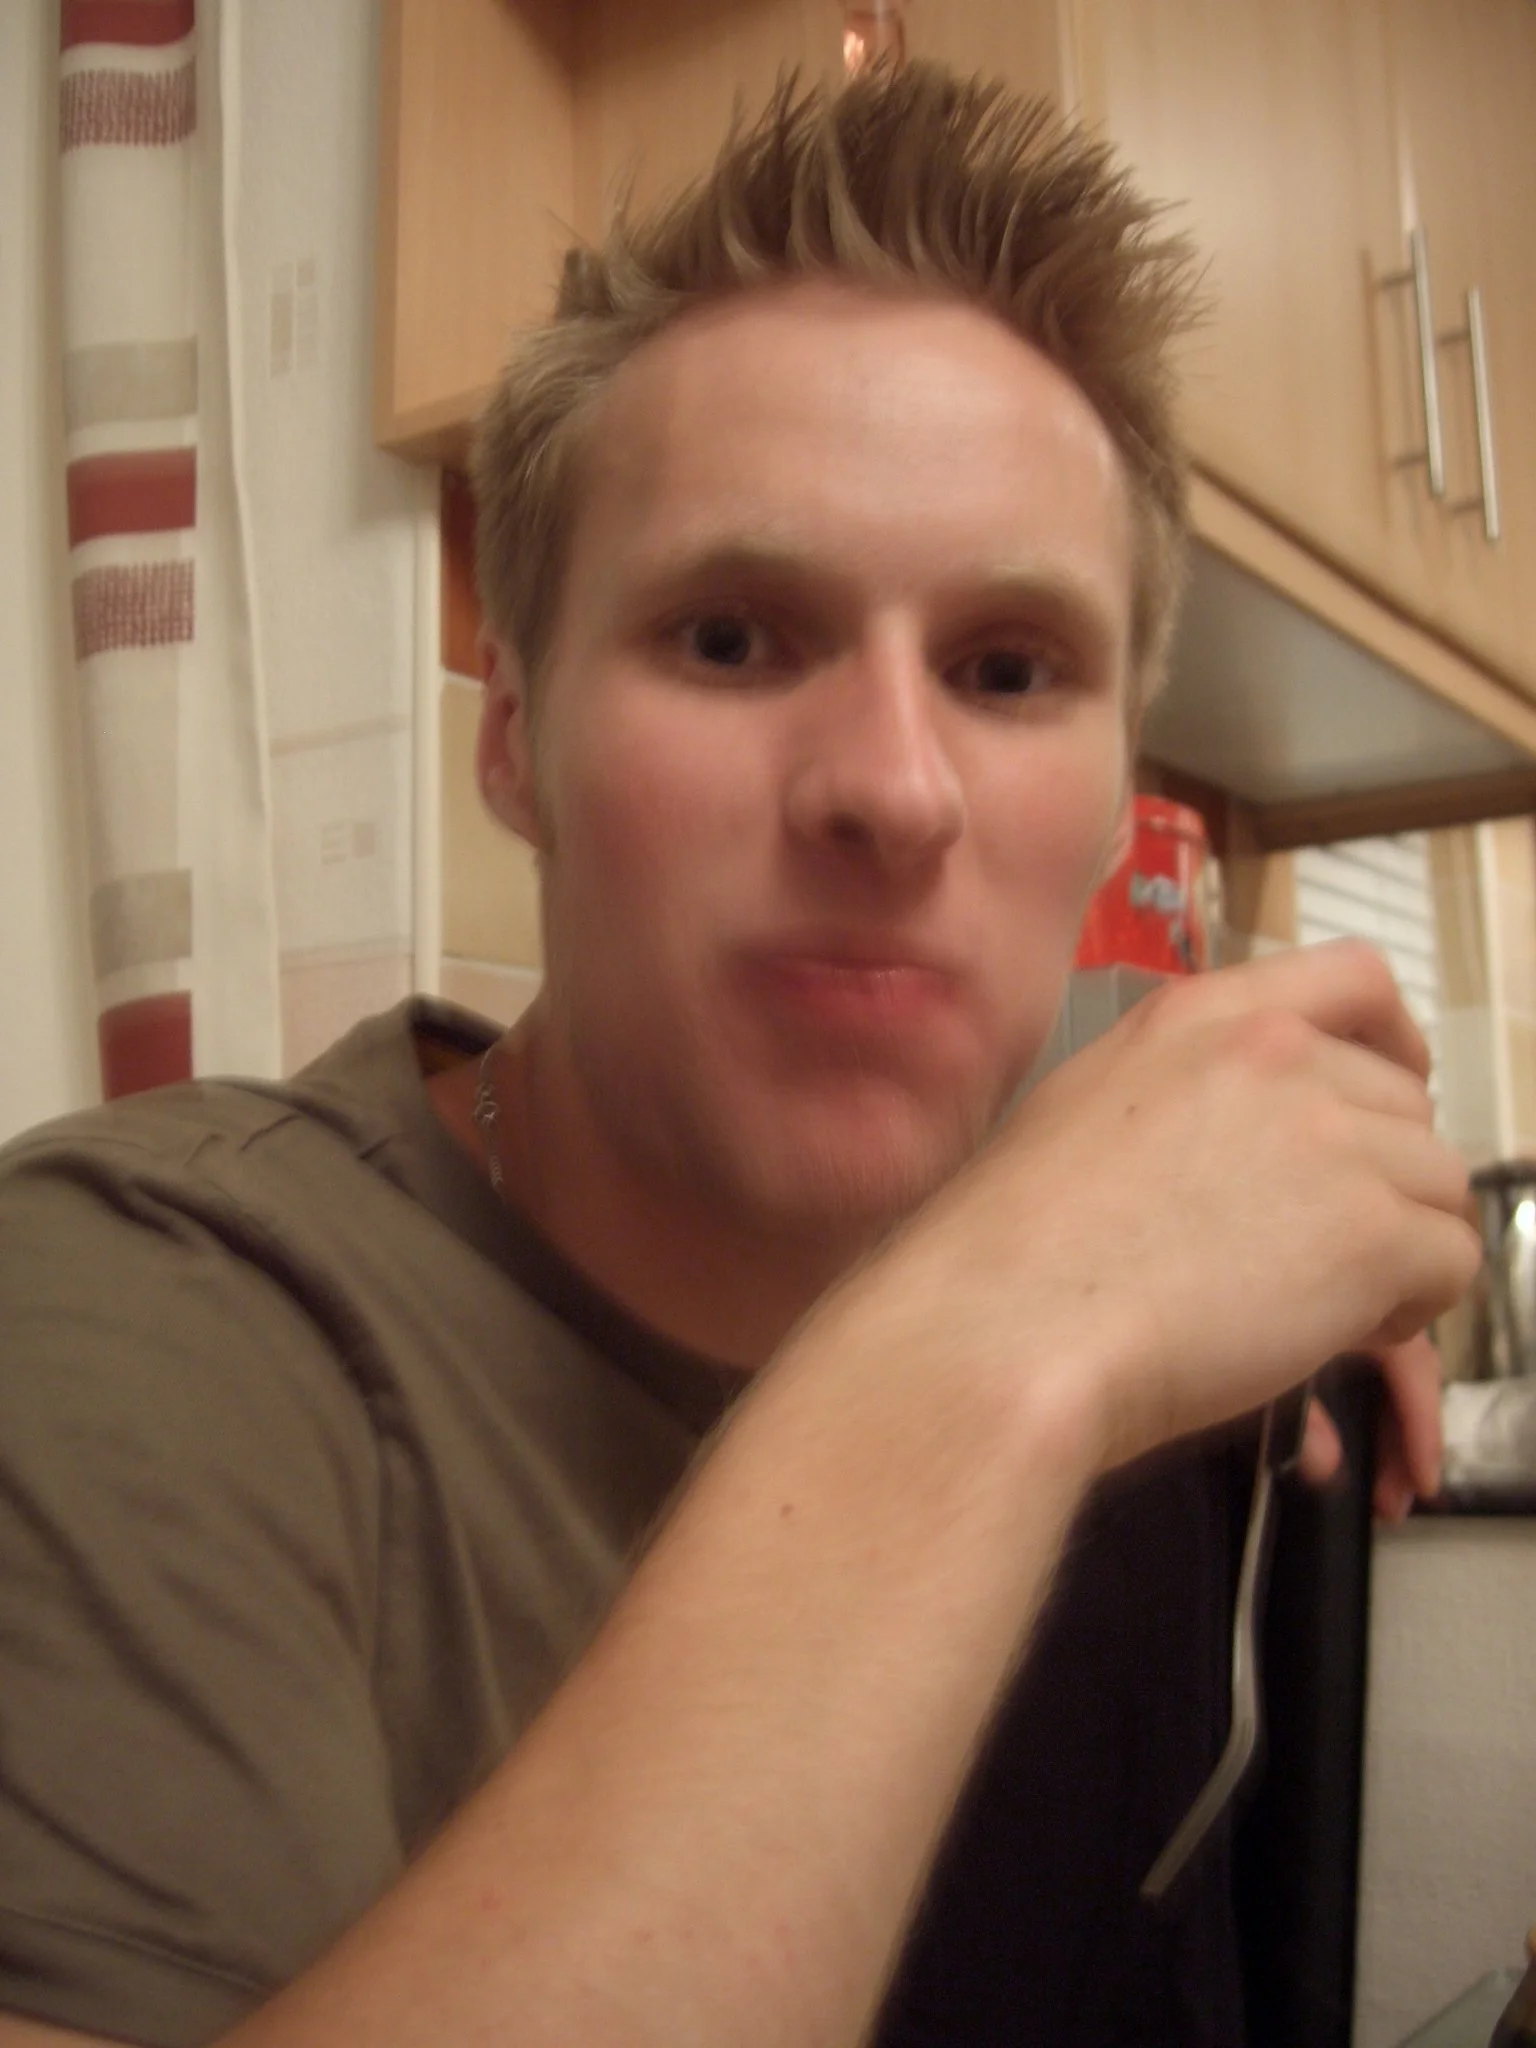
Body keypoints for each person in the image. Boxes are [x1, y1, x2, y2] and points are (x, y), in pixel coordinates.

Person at [0, 62, 1474, 2048]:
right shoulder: (137, 1318)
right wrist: (1005, 1347)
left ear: (1117, 794)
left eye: (1008, 670)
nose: (891, 788)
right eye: (729, 638)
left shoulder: (1151, 1341)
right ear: (510, 736)